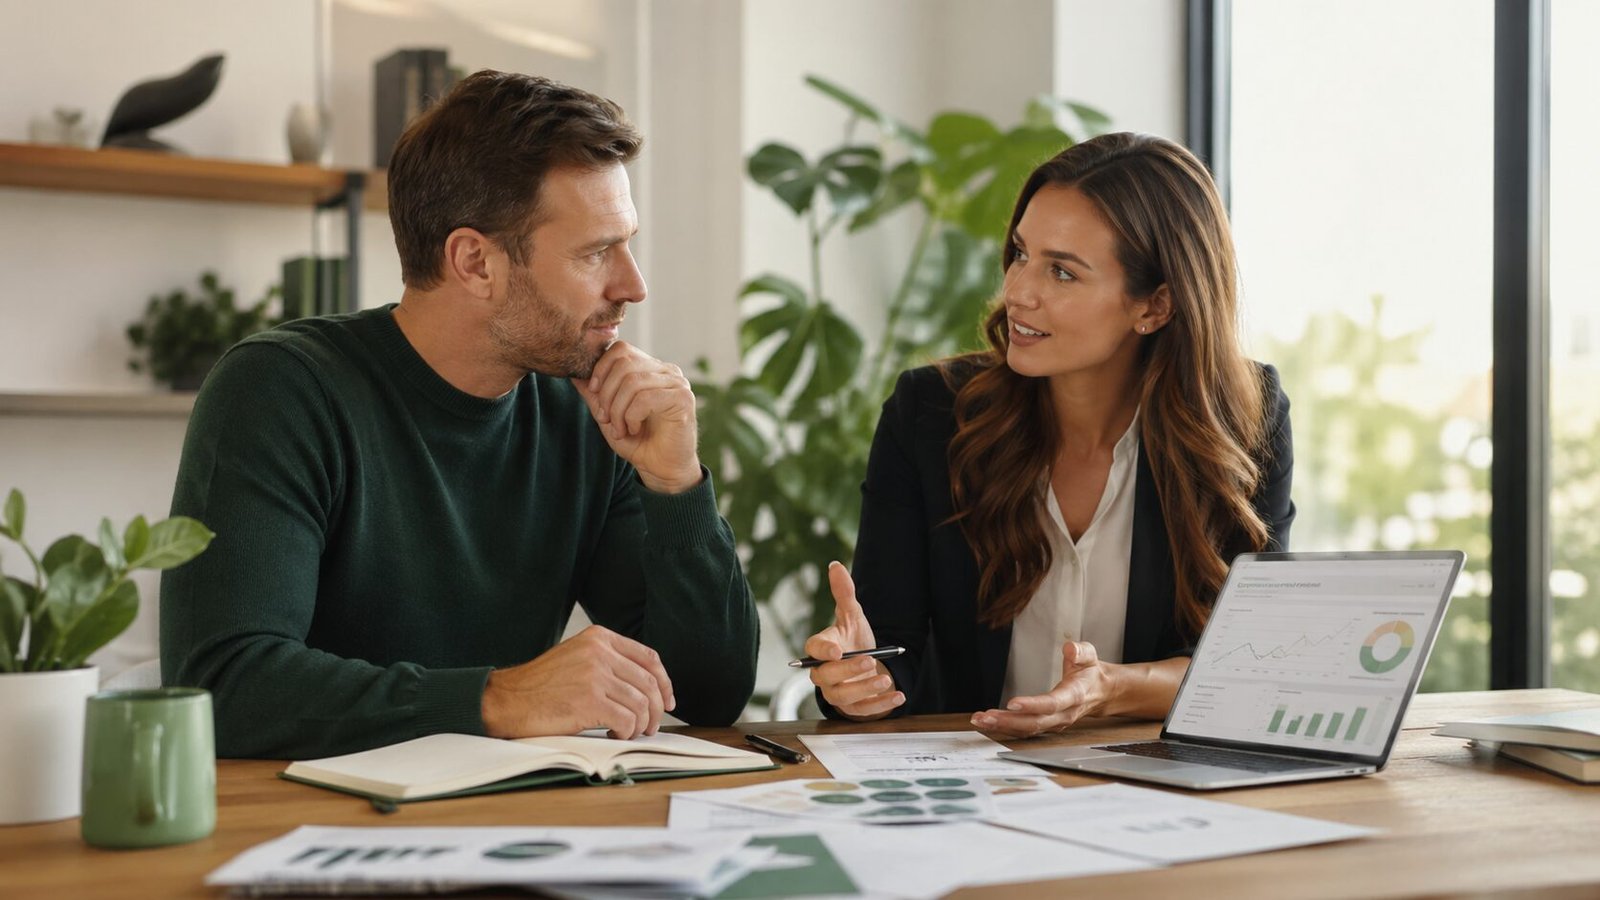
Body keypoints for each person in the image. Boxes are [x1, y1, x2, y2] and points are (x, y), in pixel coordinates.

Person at [161, 71, 758, 759]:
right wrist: (499, 698)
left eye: (625, 244)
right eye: (596, 252)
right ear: (475, 262)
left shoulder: (586, 413)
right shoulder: (281, 390)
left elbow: (711, 694)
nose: (633, 285)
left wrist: (676, 484)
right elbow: (221, 684)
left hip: (507, 819)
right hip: (312, 828)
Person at [803, 132, 1294, 738]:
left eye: (1062, 272)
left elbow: (1247, 664)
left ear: (1156, 305)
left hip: (1143, 782)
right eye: (1020, 254)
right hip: (964, 786)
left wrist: (1110, 690)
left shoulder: (1246, 421)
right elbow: (887, 654)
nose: (1017, 292)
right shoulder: (930, 414)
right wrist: (857, 678)